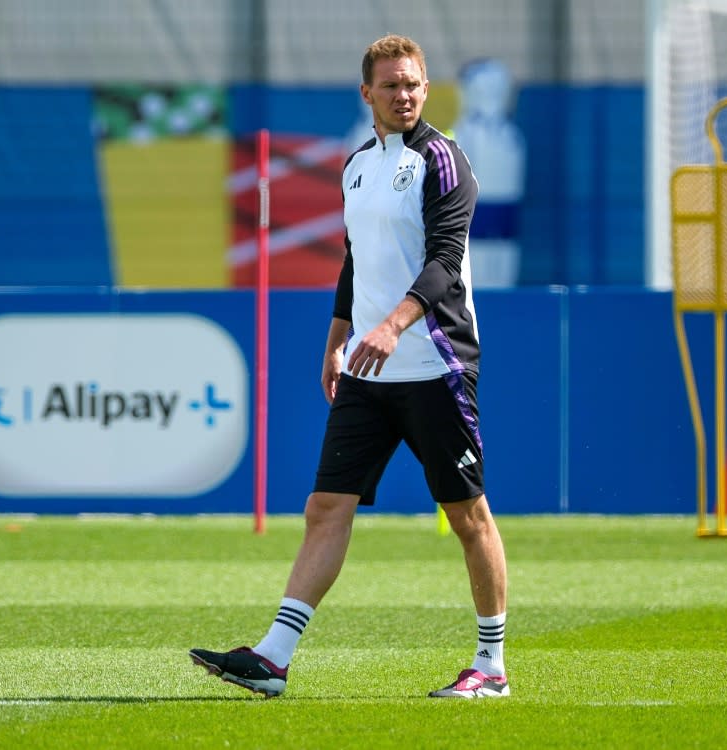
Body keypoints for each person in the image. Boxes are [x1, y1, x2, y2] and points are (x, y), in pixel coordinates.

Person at [190, 33, 510, 700]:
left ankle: (491, 666)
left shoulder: (443, 160)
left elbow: (445, 263)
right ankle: (274, 658)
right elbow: (355, 260)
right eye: (391, 84)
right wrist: (338, 338)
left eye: (414, 83)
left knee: (467, 517)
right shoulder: (358, 164)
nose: (405, 94)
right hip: (369, 368)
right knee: (325, 506)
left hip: (433, 364)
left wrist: (393, 326)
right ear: (367, 92)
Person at [449, 58, 526, 288]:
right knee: (480, 279)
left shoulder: (509, 137)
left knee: (499, 277)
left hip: (500, 219)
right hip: (476, 219)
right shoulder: (471, 133)